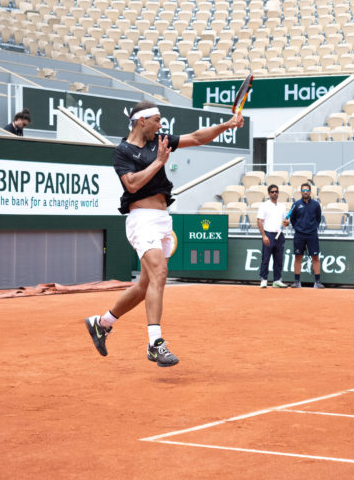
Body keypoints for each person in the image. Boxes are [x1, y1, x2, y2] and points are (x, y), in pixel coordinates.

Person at [85, 101, 244, 366]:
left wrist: (226, 125)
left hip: (161, 219)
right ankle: (155, 344)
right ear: (141, 121)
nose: (161, 125)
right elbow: (132, 185)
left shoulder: (159, 140)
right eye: (157, 120)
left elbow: (195, 138)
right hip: (141, 219)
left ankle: (102, 323)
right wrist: (159, 162)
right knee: (160, 273)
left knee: (145, 285)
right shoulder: (123, 152)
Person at [289, 181, 323, 288]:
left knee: (315, 257)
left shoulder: (316, 205)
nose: (305, 192)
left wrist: (312, 227)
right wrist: (298, 228)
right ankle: (297, 281)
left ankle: (317, 282)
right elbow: (292, 219)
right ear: (300, 192)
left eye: (307, 190)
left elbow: (318, 219)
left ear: (310, 192)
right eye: (303, 190)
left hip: (312, 234)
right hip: (299, 235)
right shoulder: (296, 204)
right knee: (298, 257)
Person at [255, 183, 289, 288]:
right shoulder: (264, 205)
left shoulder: (282, 206)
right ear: (269, 194)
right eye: (272, 192)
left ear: (278, 193)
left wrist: (286, 223)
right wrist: (264, 236)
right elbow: (259, 221)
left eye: (276, 192)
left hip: (279, 235)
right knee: (266, 258)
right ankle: (264, 280)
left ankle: (277, 280)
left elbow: (285, 222)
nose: (274, 193)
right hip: (268, 234)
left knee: (278, 260)